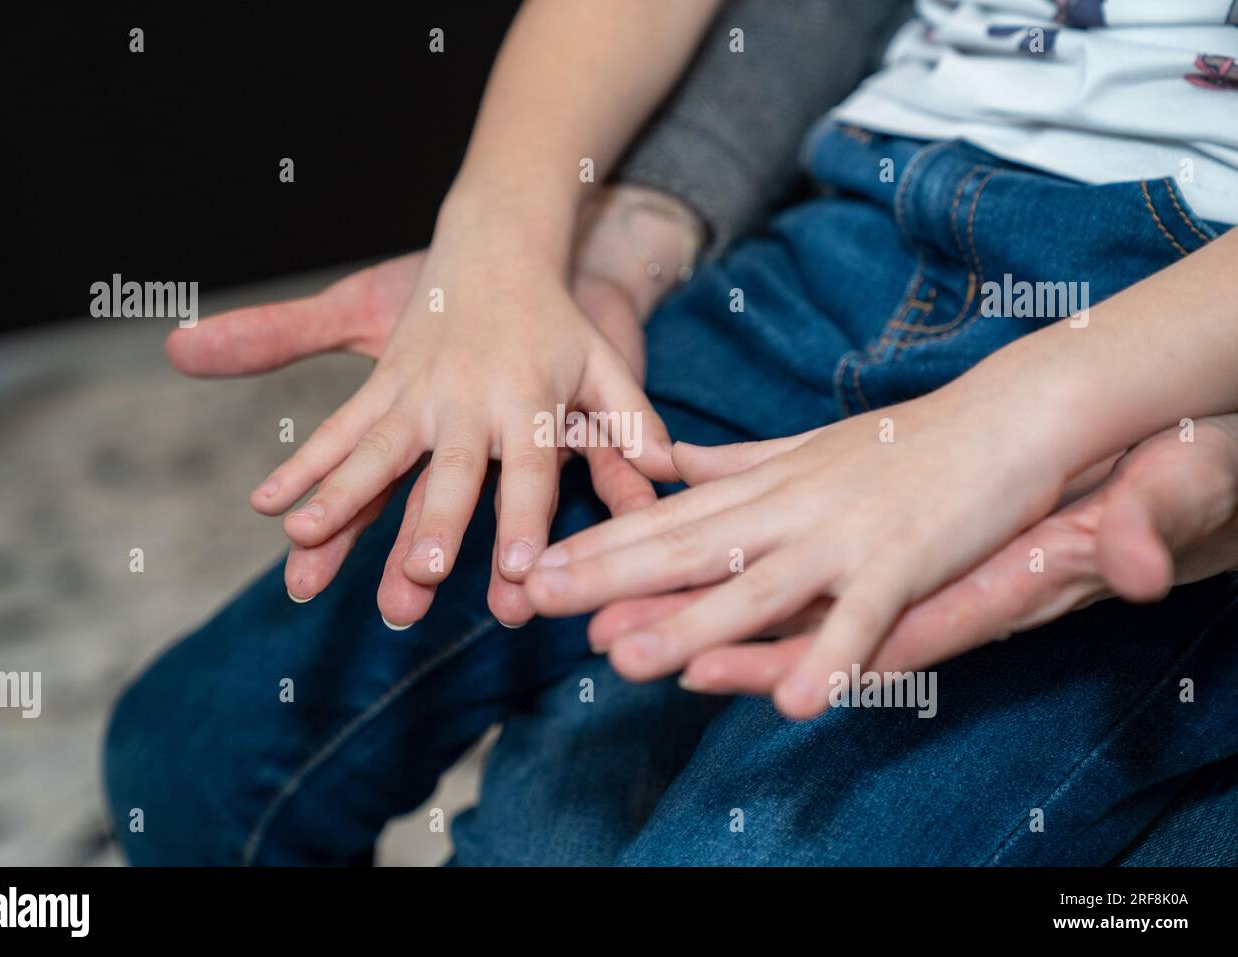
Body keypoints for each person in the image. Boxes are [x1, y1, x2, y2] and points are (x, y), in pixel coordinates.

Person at [106, 0, 1238, 865]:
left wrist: (1023, 419)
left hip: (1175, 326)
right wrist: (515, 242)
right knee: (194, 748)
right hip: (851, 223)